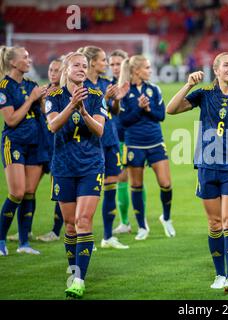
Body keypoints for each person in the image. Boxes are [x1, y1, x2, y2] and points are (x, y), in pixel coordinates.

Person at [166, 52, 228, 293]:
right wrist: (189, 84)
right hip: (207, 166)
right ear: (216, 70)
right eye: (227, 65)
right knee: (214, 223)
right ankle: (219, 274)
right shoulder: (205, 94)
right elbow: (171, 109)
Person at [46, 51, 108, 298]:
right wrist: (72, 104)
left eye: (85, 65)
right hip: (63, 167)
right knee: (70, 225)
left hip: (91, 166)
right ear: (66, 69)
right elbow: (52, 126)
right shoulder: (54, 97)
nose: (82, 69)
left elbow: (100, 130)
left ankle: (79, 280)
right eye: (77, 65)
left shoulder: (95, 96)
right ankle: (74, 269)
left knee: (83, 221)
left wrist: (83, 112)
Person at [77, 46, 129, 249]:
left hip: (110, 139)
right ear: (92, 63)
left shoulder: (107, 83)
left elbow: (113, 112)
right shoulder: (82, 85)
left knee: (110, 187)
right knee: (89, 191)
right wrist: (106, 98)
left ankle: (107, 236)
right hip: (91, 142)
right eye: (103, 60)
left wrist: (116, 98)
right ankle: (83, 235)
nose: (106, 64)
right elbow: (87, 111)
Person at [118, 55, 175, 240]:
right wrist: (139, 109)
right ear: (136, 71)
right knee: (136, 185)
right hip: (134, 143)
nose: (150, 70)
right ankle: (142, 226)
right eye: (147, 68)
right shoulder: (125, 92)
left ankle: (166, 218)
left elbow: (161, 116)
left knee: (166, 184)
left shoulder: (154, 89)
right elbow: (124, 121)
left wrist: (148, 109)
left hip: (155, 142)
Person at [0, 46, 47, 256]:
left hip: (35, 143)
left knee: (29, 192)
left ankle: (24, 243)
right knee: (17, 192)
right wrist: (31, 99)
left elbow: (43, 115)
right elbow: (10, 120)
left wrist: (43, 99)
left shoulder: (32, 84)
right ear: (13, 63)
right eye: (25, 57)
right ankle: (1, 239)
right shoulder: (4, 87)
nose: (29, 60)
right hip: (15, 142)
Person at [107, 49, 136, 235]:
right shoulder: (107, 86)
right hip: (111, 138)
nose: (116, 68)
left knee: (126, 178)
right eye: (112, 64)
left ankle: (126, 222)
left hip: (128, 138)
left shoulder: (133, 86)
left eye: (119, 64)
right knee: (117, 180)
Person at [36, 58, 65, 242]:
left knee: (60, 191)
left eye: (57, 70)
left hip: (58, 148)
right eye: (51, 70)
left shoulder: (63, 94)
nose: (53, 73)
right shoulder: (41, 91)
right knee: (28, 190)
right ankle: (25, 232)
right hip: (41, 146)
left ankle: (55, 231)